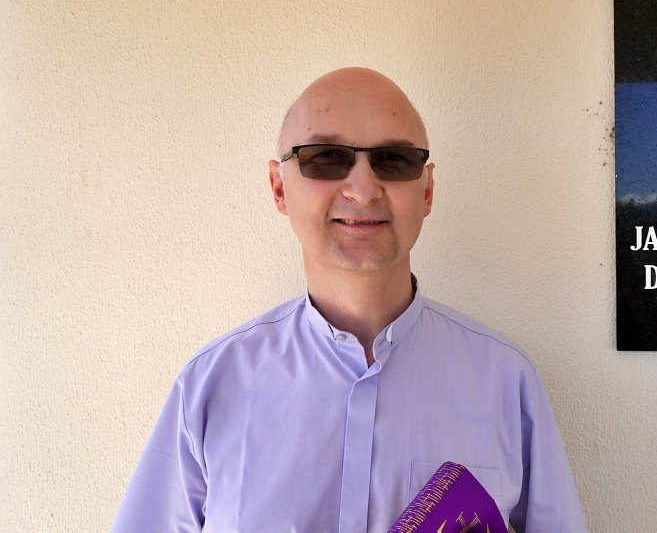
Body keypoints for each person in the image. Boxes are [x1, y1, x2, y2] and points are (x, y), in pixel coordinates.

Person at [111, 68, 588, 533]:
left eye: (394, 160)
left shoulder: (507, 384)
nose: (362, 191)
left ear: (427, 190)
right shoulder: (210, 388)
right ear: (279, 187)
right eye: (325, 157)